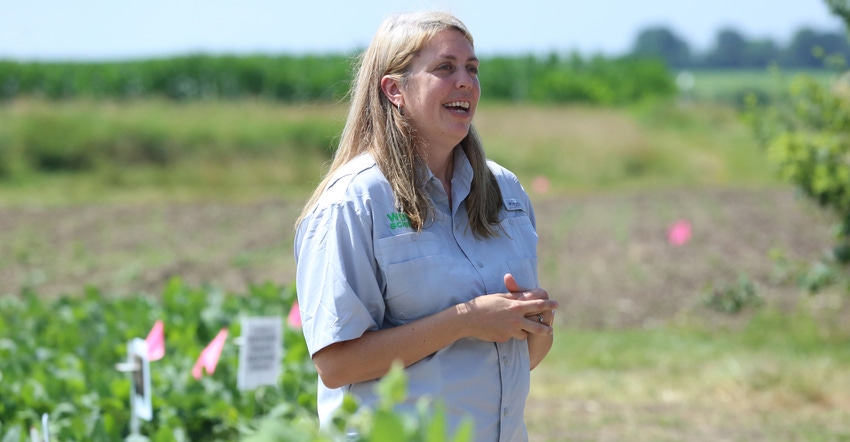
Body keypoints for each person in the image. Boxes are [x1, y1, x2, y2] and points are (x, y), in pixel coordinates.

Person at [294, 10, 558, 441]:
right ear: (395, 89)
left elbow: (516, 358)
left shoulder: (506, 190)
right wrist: (465, 320)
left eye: (472, 68)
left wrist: (532, 322)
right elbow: (336, 364)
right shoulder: (353, 202)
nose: (465, 82)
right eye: (444, 68)